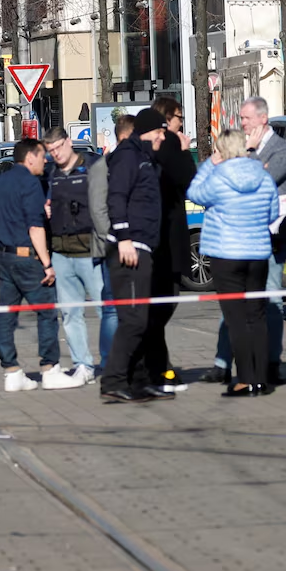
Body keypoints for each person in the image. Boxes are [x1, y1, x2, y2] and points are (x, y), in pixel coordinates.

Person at [0, 138, 70, 391]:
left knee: (7, 315)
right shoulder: (31, 182)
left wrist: (2, 241)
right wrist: (47, 264)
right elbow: (36, 227)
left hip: (5, 258)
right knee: (47, 312)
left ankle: (12, 372)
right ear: (30, 158)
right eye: (42, 156)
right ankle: (50, 369)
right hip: (28, 258)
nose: (45, 160)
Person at [189, 128, 281, 396]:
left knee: (236, 318)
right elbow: (273, 212)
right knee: (257, 315)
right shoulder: (263, 177)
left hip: (226, 253)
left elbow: (194, 193)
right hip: (257, 252)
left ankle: (245, 378)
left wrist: (209, 164)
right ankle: (261, 379)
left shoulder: (218, 177)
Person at [214, 96, 286, 382]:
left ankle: (270, 362)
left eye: (246, 118)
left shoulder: (281, 150)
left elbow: (256, 181)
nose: (242, 123)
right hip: (239, 238)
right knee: (232, 302)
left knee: (269, 300)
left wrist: (247, 157)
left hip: (269, 238)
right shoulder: (244, 148)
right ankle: (222, 363)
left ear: (262, 118)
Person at [99, 107, 169, 404]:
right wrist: (125, 237)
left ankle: (139, 382)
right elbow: (116, 196)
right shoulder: (129, 156)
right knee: (133, 320)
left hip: (143, 247)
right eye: (161, 132)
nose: (163, 137)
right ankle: (113, 380)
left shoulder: (144, 157)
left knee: (140, 319)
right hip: (129, 249)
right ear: (149, 131)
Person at [144, 97, 195, 390]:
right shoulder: (171, 147)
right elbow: (190, 182)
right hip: (167, 239)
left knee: (159, 307)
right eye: (178, 117)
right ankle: (158, 369)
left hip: (156, 239)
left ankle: (162, 369)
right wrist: (186, 152)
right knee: (162, 305)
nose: (181, 123)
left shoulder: (149, 149)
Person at [42, 126, 101, 383]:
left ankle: (116, 361)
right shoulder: (51, 173)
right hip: (61, 252)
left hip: (91, 250)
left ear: (68, 142)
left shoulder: (92, 166)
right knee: (70, 312)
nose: (55, 154)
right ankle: (83, 364)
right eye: (50, 150)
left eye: (58, 148)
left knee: (106, 309)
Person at [86, 115, 133, 375]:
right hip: (112, 247)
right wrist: (114, 240)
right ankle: (108, 362)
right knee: (112, 306)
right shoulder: (103, 166)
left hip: (128, 244)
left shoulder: (131, 163)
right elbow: (98, 210)